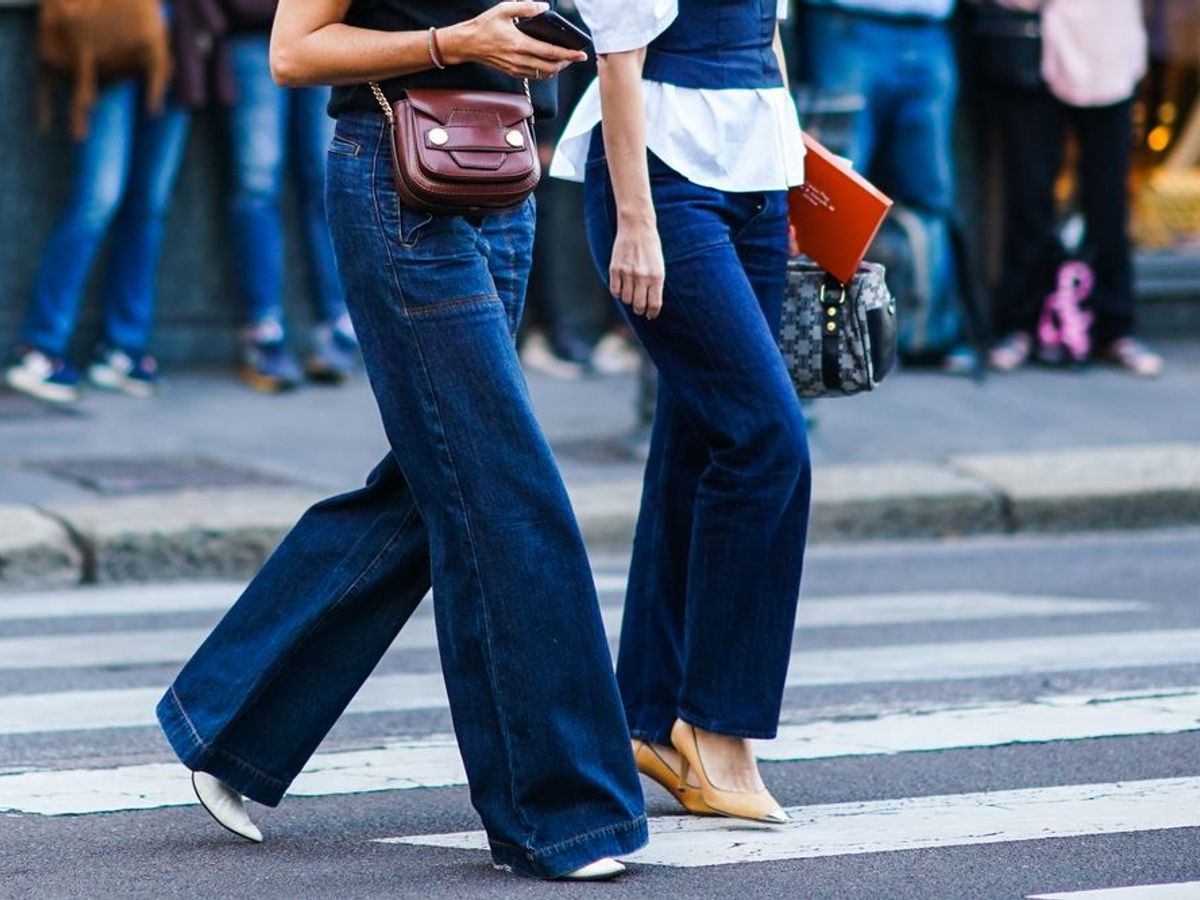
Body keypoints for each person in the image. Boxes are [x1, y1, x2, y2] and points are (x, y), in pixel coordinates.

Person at [155, 0, 647, 882]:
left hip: (499, 171)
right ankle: (561, 814)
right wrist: (457, 42)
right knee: (504, 490)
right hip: (399, 182)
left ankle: (229, 717)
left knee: (449, 471)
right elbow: (293, 53)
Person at [552, 0, 812, 822]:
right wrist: (636, 221)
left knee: (700, 442)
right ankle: (715, 728)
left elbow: (765, 33)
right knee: (766, 442)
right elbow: (617, 56)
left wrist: (795, 167)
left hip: (758, 175)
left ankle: (651, 717)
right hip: (665, 175)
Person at [5, 5, 189, 403]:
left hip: (182, 43)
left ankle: (123, 347)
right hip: (107, 36)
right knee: (97, 200)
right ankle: (39, 346)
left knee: (148, 206)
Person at [985, 0, 1165, 377]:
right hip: (1038, 48)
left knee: (1108, 201)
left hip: (1111, 52)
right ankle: (1020, 326)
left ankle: (1116, 329)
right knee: (1029, 195)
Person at [798, 0, 975, 373]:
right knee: (836, 192)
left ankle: (930, 334)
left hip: (930, 27)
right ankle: (817, 335)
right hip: (847, 23)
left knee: (931, 191)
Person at [223, 6, 360, 391]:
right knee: (258, 182)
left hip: (327, 30)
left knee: (326, 177)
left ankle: (340, 324)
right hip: (255, 31)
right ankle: (262, 329)